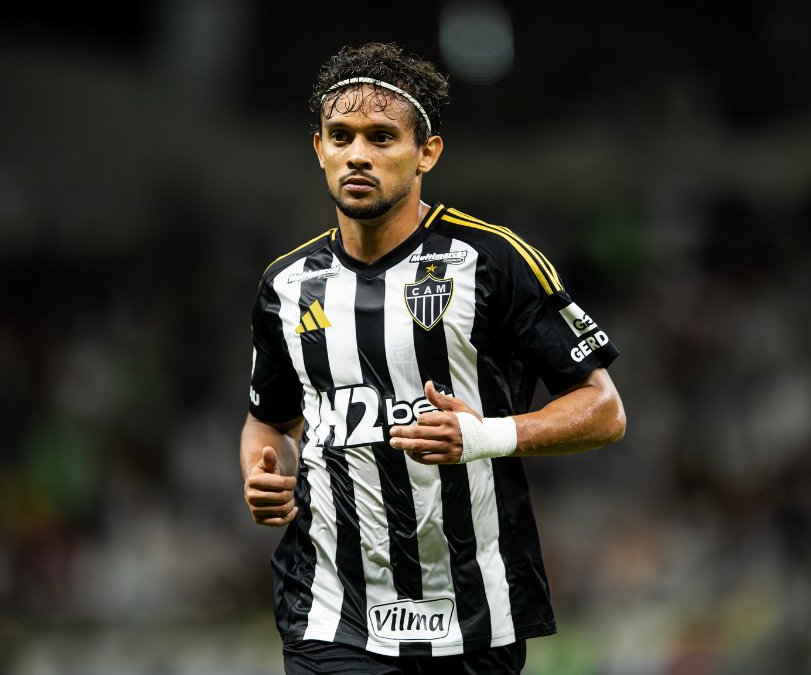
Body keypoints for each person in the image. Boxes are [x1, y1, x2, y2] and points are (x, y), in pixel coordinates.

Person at [240, 42, 626, 674]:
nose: (357, 154)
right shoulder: (285, 285)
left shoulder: (494, 261)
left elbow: (605, 410)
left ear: (427, 152)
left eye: (381, 137)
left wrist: (487, 435)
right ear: (318, 147)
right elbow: (268, 420)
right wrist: (266, 472)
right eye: (341, 136)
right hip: (331, 611)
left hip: (474, 611)